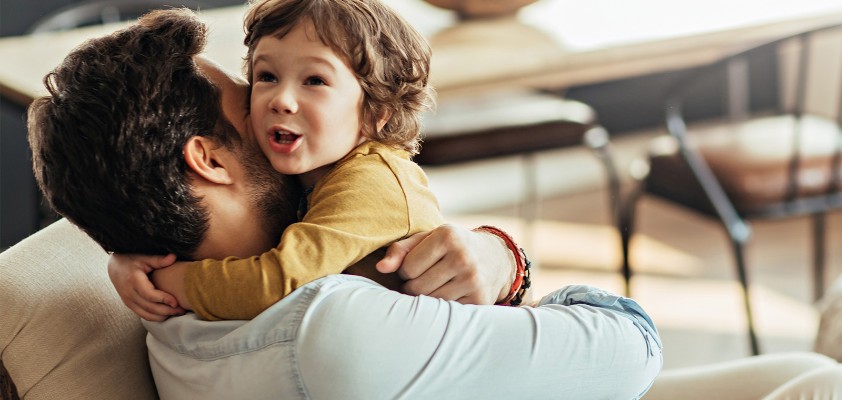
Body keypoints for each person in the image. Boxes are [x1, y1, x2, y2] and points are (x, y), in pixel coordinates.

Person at [28, 8, 663, 399]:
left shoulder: (161, 313)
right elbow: (632, 349)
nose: (271, 104)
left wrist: (131, 262)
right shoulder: (329, 326)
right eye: (257, 83)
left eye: (311, 81)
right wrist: (509, 264)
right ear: (208, 159)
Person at [111, 0, 475, 322]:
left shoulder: (373, 181)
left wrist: (167, 279)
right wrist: (129, 258)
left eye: (314, 80)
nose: (281, 99)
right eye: (267, 76)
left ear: (376, 113)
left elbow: (277, 281)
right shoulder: (304, 172)